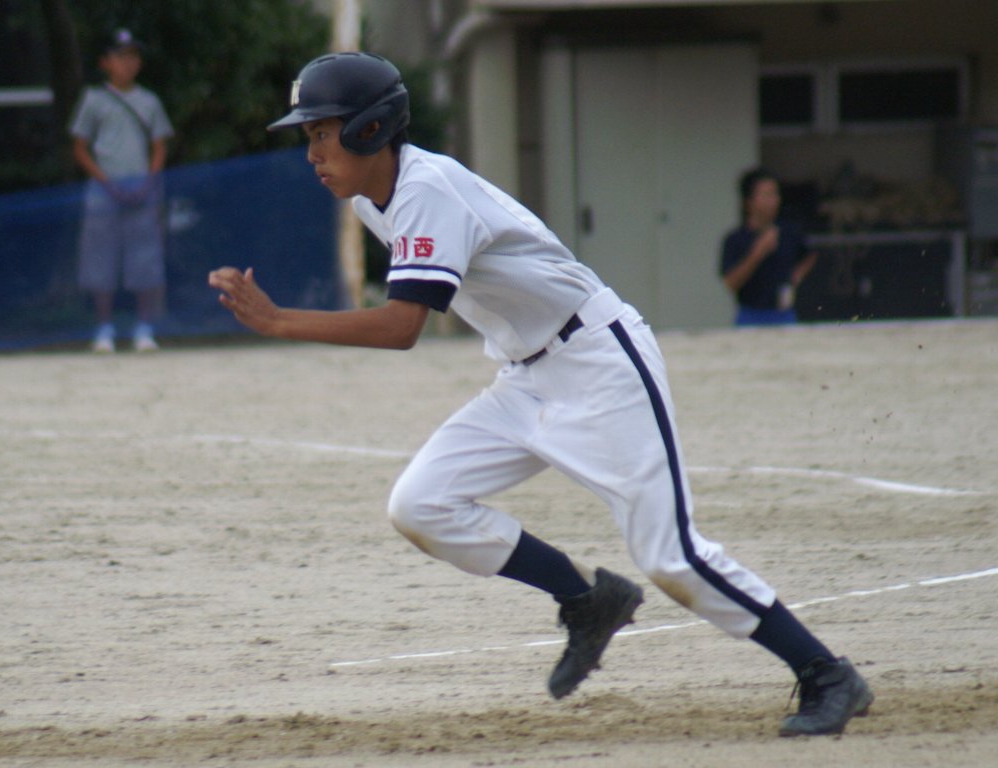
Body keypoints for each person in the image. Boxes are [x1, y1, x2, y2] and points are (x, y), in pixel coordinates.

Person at [209, 53, 873, 737]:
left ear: (371, 129)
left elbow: (402, 327)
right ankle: (586, 600)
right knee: (421, 504)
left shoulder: (426, 190)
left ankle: (827, 674)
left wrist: (278, 321)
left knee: (669, 556)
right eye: (309, 136)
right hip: (526, 376)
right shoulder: (372, 201)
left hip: (599, 363)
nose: (312, 152)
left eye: (323, 132)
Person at [70, 28, 173, 353]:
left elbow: (159, 145)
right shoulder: (93, 99)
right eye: (121, 56)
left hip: (142, 189)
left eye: (133, 57)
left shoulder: (149, 101)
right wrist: (106, 181)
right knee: (101, 258)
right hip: (103, 191)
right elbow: (79, 147)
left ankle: (144, 328)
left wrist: (148, 181)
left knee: (145, 258)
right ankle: (104, 328)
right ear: (105, 62)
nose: (128, 63)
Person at [720, 168, 818, 326]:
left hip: (784, 314)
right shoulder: (735, 239)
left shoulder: (789, 232)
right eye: (766, 195)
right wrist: (758, 253)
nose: (773, 201)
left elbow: (810, 254)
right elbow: (731, 283)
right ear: (749, 201)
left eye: (775, 194)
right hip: (750, 315)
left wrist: (795, 276)